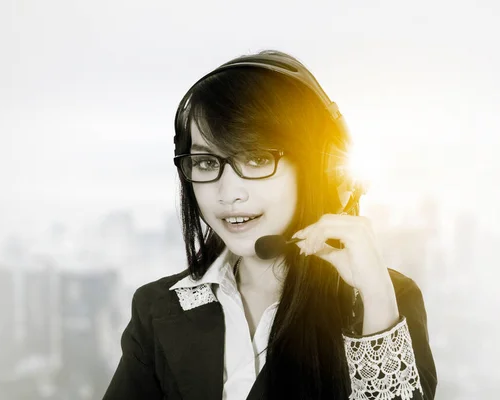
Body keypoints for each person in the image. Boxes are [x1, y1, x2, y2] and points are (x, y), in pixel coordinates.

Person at [103, 50, 437, 400]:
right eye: (204, 162)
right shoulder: (158, 308)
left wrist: (376, 300)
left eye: (258, 158)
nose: (228, 193)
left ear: (316, 168)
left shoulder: (385, 300)